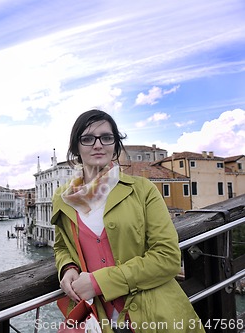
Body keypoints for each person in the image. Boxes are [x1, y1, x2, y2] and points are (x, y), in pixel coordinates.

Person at [51, 109, 204, 333]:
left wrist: (98, 282)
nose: (98, 145)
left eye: (106, 137)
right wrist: (67, 267)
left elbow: (168, 257)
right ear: (75, 147)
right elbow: (62, 245)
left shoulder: (142, 190)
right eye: (87, 138)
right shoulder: (63, 198)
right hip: (99, 317)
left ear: (115, 144)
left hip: (155, 313)